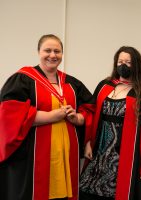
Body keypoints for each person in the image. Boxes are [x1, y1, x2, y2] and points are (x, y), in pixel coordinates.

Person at [0, 34, 94, 200]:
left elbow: (90, 109)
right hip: (33, 157)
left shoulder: (72, 83)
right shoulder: (23, 79)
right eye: (47, 50)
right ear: (38, 52)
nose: (53, 55)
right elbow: (9, 114)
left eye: (57, 51)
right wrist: (50, 116)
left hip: (65, 155)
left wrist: (78, 118)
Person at [79, 46, 141, 200]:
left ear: (136, 65)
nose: (123, 65)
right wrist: (88, 142)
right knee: (87, 190)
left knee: (115, 193)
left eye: (128, 62)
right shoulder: (105, 86)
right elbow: (92, 113)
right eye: (120, 61)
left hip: (123, 154)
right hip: (99, 151)